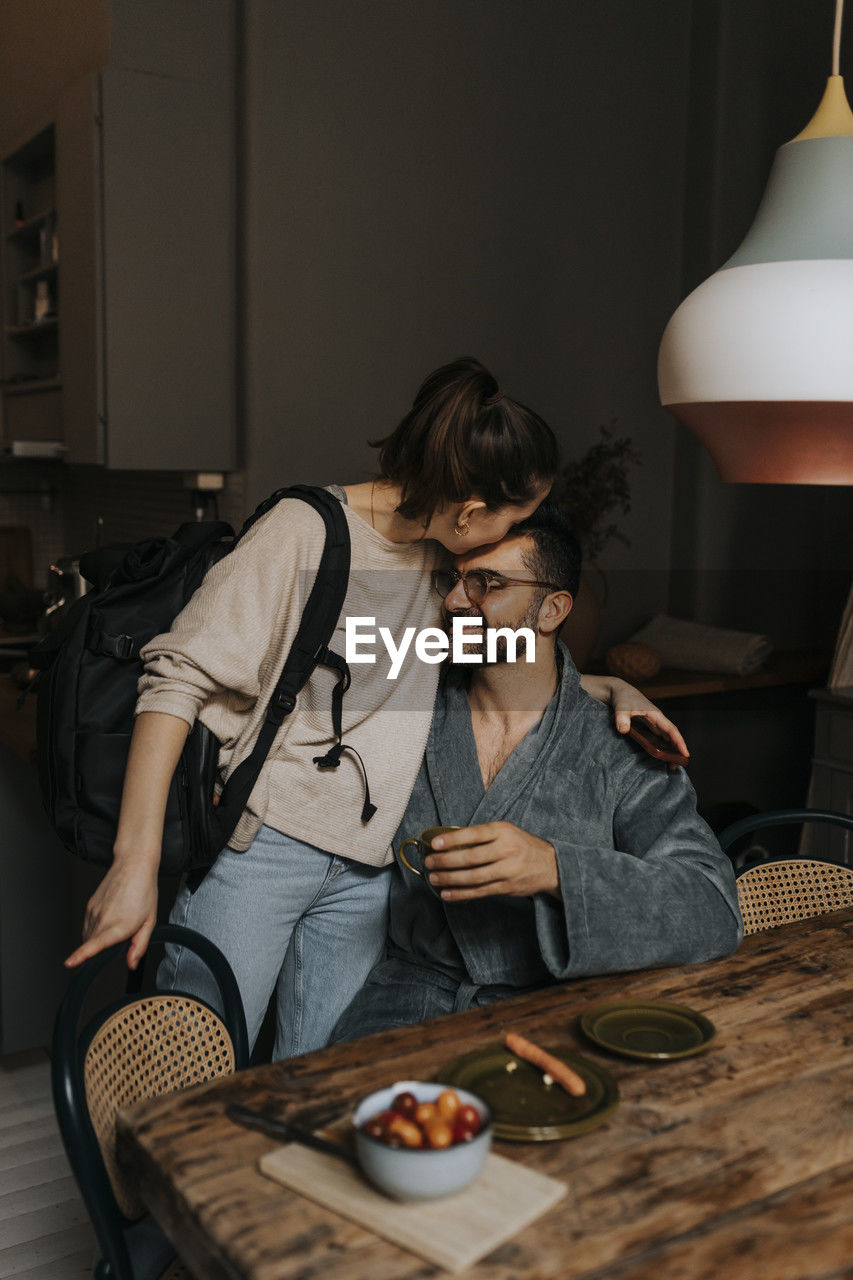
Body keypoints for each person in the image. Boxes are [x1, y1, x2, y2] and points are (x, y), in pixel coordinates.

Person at [65, 357, 690, 1061]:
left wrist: (602, 687)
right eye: (512, 516)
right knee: (194, 1064)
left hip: (368, 874)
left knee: (320, 1081)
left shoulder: (442, 566)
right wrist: (134, 863)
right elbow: (175, 681)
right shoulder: (304, 534)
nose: (507, 538)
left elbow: (496, 650)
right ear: (470, 511)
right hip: (263, 849)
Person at [332, 503, 741, 1041]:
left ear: (552, 610)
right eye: (454, 581)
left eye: (486, 583)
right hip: (407, 1007)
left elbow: (711, 908)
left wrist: (554, 871)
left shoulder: (620, 745)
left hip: (561, 1010)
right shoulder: (403, 705)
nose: (455, 602)